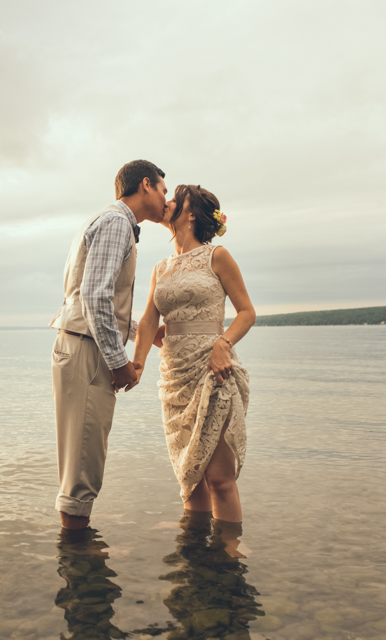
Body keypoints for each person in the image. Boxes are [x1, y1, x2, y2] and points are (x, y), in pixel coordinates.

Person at [49, 160, 168, 530]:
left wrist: (140, 332)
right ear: (146, 185)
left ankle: (77, 549)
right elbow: (95, 296)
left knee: (81, 456)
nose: (166, 198)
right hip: (88, 351)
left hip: (82, 343)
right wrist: (120, 362)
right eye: (164, 189)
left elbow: (96, 297)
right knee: (84, 460)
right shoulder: (117, 222)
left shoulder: (106, 221)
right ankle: (79, 564)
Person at [132, 184, 256, 524]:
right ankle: (196, 561)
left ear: (190, 214)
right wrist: (137, 364)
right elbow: (147, 321)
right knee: (190, 481)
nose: (167, 201)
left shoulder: (217, 256)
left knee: (218, 479)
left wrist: (222, 344)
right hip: (175, 377)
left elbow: (247, 312)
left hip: (212, 372)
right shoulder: (160, 268)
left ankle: (228, 559)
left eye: (176, 197)